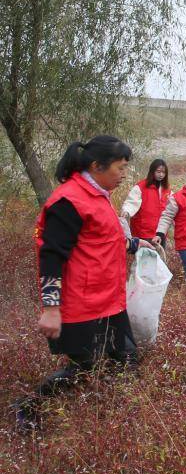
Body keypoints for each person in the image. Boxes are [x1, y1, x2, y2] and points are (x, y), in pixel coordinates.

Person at [15, 136, 152, 430]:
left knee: (125, 359)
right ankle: (28, 409)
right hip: (82, 304)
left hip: (109, 301)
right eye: (120, 168)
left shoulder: (98, 194)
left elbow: (101, 239)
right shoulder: (68, 201)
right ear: (96, 166)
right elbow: (51, 256)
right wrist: (51, 308)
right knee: (84, 368)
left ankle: (119, 426)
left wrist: (136, 244)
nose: (124, 174)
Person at [120, 159, 171, 240]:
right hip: (142, 232)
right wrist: (126, 211)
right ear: (152, 171)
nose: (161, 175)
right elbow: (132, 202)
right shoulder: (141, 187)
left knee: (159, 252)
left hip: (159, 233)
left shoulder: (167, 189)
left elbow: (172, 206)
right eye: (158, 172)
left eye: (163, 172)